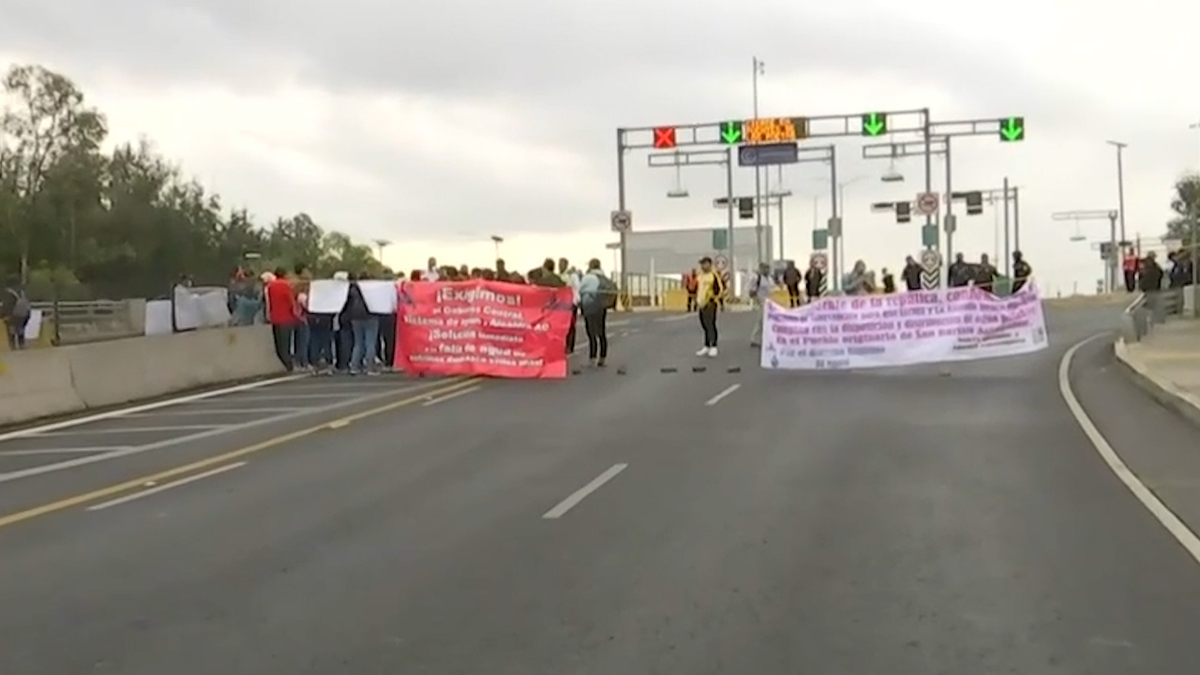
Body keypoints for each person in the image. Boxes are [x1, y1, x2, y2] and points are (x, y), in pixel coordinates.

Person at [578, 258, 613, 367]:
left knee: (591, 333)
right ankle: (602, 358)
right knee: (601, 332)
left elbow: (580, 290)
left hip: (589, 306)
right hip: (601, 307)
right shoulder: (604, 278)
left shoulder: (588, 277)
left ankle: (592, 358)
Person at [343, 272, 379, 375]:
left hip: (355, 316)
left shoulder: (353, 289)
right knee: (370, 343)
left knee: (358, 343)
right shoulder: (372, 290)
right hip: (370, 315)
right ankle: (369, 367)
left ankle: (354, 366)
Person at [265, 267, 300, 371]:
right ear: (284, 274)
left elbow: (268, 303)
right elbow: (291, 301)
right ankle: (289, 365)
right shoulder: (286, 285)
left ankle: (284, 362)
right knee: (286, 343)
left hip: (275, 318)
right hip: (287, 318)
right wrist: (297, 314)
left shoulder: (270, 286)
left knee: (279, 343)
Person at [694, 256, 725, 357]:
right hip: (701, 304)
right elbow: (697, 289)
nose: (703, 266)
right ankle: (706, 346)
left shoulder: (714, 275)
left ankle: (714, 346)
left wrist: (714, 298)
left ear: (710, 264)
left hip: (710, 304)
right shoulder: (700, 276)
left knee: (710, 325)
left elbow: (721, 289)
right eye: (702, 264)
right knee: (704, 325)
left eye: (705, 263)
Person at [558, 258, 581, 354]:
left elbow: (576, 288)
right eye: (559, 264)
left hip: (571, 303)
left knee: (571, 325)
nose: (560, 266)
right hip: (562, 304)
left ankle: (570, 346)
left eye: (562, 264)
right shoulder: (559, 276)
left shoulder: (572, 276)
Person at [748, 262, 773, 348]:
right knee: (761, 321)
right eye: (765, 268)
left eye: (768, 268)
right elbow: (751, 291)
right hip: (760, 302)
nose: (767, 270)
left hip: (769, 303)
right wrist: (756, 301)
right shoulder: (756, 278)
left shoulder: (769, 279)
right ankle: (756, 339)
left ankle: (761, 339)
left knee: (766, 322)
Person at [2, 279, 31, 350]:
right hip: (24, 314)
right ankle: (21, 344)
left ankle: (13, 346)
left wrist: (4, 315)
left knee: (11, 329)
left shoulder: (9, 294)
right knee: (20, 329)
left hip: (14, 314)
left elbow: (8, 305)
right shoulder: (21, 292)